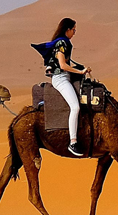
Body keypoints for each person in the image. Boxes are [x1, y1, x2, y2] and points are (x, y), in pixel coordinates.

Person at [40, 18, 94, 156]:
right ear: (67, 29)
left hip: (65, 77)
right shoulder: (62, 42)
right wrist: (80, 71)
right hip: (61, 79)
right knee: (75, 107)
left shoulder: (64, 42)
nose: (74, 33)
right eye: (73, 30)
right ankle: (73, 142)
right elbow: (63, 65)